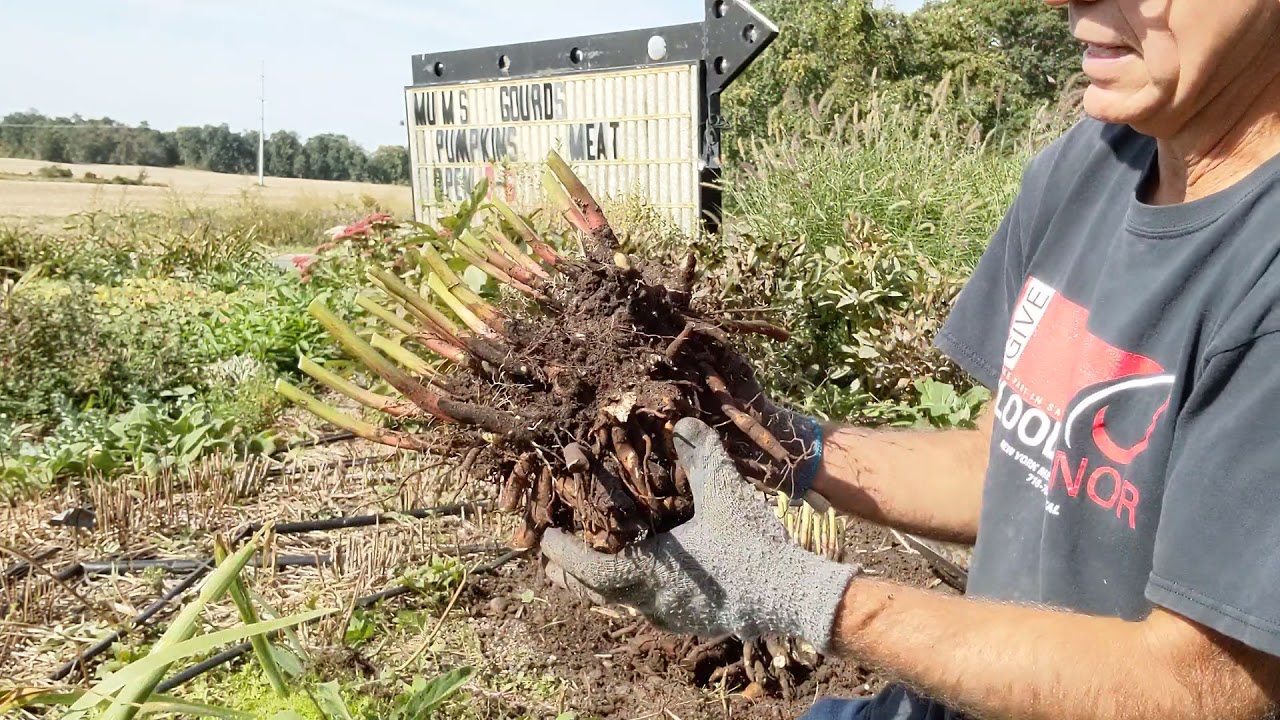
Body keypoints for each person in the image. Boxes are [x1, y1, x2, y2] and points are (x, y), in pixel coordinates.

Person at [540, 0, 1280, 717]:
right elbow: (1005, 465)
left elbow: (1200, 687)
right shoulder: (1094, 164)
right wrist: (770, 436)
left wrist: (808, 596)